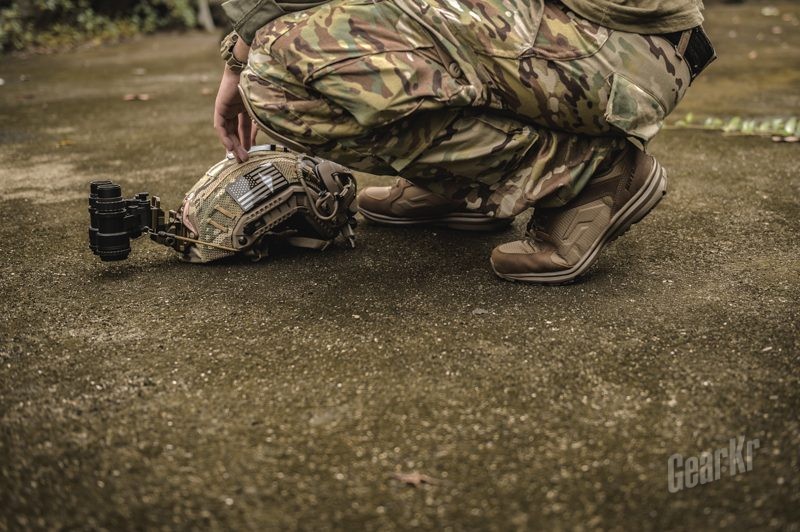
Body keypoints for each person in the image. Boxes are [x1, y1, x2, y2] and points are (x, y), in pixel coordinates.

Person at [213, 0, 715, 283]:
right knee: (340, 36)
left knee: (278, 65)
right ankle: (469, 183)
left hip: (613, 47)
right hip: (618, 47)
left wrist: (242, 50)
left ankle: (583, 173)